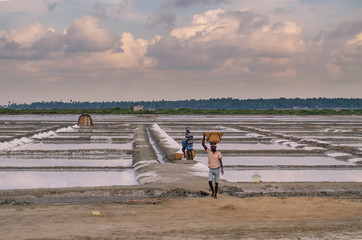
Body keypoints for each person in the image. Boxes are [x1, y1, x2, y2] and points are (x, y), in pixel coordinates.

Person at [202, 133, 224, 199]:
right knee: (210, 181)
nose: (212, 148)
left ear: (215, 148)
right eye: (211, 147)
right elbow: (203, 144)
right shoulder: (209, 151)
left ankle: (215, 194)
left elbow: (221, 161)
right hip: (211, 168)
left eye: (213, 147)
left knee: (216, 183)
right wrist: (203, 136)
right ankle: (212, 191)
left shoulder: (218, 153)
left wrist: (222, 169)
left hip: (217, 169)